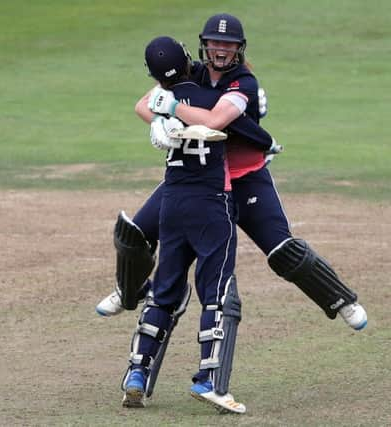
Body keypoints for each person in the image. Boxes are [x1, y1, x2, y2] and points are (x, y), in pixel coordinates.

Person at [98, 13, 368, 331]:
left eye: (227, 43)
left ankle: (341, 300)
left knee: (283, 251)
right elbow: (144, 104)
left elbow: (213, 120)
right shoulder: (191, 72)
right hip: (198, 179)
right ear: (204, 45)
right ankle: (130, 290)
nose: (220, 49)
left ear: (238, 48)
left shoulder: (244, 82)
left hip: (243, 177)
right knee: (135, 236)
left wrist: (170, 108)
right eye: (214, 42)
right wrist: (158, 122)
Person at [120, 35, 258, 414]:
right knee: (216, 292)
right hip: (212, 203)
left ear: (155, 76)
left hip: (172, 204)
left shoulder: (161, 107)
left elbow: (146, 106)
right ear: (188, 60)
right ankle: (208, 381)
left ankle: (137, 374)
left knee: (165, 289)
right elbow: (243, 131)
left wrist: (161, 118)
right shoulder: (211, 100)